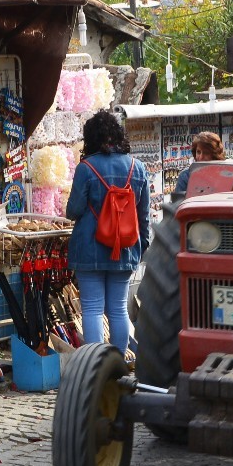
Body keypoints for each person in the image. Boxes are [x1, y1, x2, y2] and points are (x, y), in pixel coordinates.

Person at [65, 111, 151, 355]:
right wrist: (140, 246)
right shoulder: (138, 167)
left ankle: (95, 364)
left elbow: (74, 210)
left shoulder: (86, 168)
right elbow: (143, 214)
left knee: (92, 308)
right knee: (119, 308)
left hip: (90, 247)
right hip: (124, 248)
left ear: (90, 138)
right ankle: (119, 364)